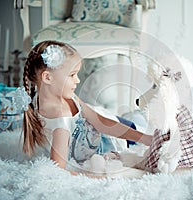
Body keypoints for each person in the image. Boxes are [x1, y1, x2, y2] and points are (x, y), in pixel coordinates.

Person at [21, 40, 154, 178]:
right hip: (104, 144)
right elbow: (58, 170)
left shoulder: (55, 98)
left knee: (138, 122)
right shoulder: (61, 119)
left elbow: (101, 122)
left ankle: (138, 120)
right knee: (137, 120)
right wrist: (96, 177)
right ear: (48, 77)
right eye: (72, 75)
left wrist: (145, 138)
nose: (77, 80)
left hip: (110, 128)